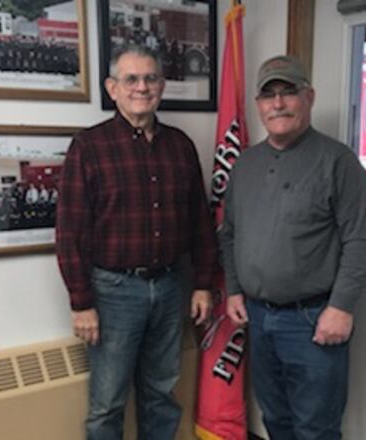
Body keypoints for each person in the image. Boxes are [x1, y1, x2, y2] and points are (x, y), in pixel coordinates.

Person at [55, 45, 217, 440]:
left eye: (150, 78)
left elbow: (199, 221)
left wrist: (202, 283)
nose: (141, 87)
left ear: (161, 85)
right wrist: (81, 303)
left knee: (161, 393)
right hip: (112, 293)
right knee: (108, 402)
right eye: (131, 79)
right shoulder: (89, 147)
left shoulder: (180, 146)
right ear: (113, 88)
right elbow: (70, 232)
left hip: (171, 285)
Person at [220, 55, 366, 439]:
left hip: (312, 320)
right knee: (276, 421)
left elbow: (362, 238)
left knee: (316, 429)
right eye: (268, 95)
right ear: (258, 105)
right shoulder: (245, 165)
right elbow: (229, 233)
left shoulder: (337, 161)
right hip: (259, 318)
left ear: (308, 97)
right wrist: (235, 289)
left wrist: (341, 307)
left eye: (287, 92)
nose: (277, 103)